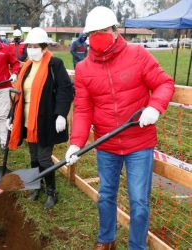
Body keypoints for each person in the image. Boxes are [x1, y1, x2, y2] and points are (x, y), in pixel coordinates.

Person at [64, 6, 174, 250]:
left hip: (139, 142)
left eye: (103, 30)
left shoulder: (137, 55)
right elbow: (83, 109)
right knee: (105, 196)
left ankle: (137, 246)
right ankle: (106, 239)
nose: (98, 36)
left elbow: (164, 83)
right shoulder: (83, 69)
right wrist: (76, 143)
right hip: (107, 143)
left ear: (115, 31)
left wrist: (154, 107)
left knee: (139, 203)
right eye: (93, 33)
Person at [7, 27, 74, 208]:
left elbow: (66, 90)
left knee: (44, 158)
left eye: (36, 46)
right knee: (34, 156)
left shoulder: (55, 64)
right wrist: (11, 116)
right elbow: (18, 94)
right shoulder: (26, 66)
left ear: (44, 47)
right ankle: (37, 186)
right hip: (28, 120)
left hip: (45, 120)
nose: (32, 49)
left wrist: (61, 114)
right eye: (29, 46)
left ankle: (51, 191)